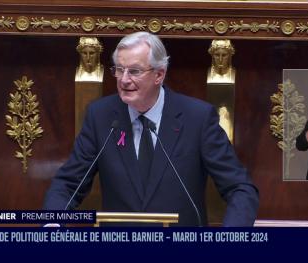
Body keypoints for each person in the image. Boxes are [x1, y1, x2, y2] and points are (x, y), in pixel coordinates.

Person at [44, 32, 259, 226]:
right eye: (119, 70)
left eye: (134, 71)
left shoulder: (197, 119)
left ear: (159, 75)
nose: (124, 80)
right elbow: (69, 184)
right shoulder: (100, 116)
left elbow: (240, 189)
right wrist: (52, 225)